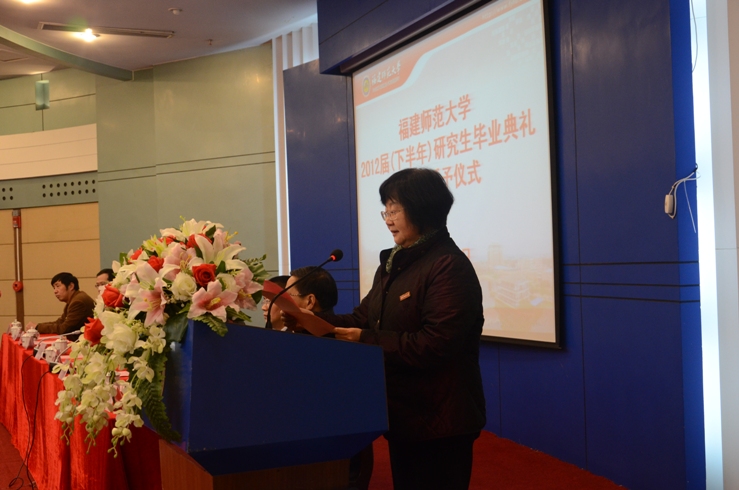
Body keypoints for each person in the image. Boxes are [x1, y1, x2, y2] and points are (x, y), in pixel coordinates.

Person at [318, 168, 486, 489]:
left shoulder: (448, 266)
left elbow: (436, 344)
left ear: (421, 209)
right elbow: (363, 319)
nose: (388, 219)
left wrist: (365, 339)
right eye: (386, 210)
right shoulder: (395, 263)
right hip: (406, 414)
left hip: (440, 420)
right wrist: (310, 320)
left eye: (394, 210)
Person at [27, 272, 95, 336]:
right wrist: (37, 326)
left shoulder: (77, 302)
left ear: (71, 286)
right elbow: (60, 322)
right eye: (54, 288)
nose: (55, 291)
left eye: (58, 286)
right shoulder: (73, 300)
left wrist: (37, 327)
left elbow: (64, 329)